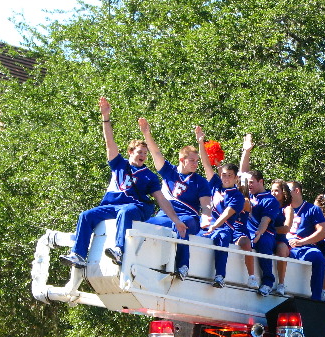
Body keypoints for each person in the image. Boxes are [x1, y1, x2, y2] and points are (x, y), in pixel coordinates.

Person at [61, 97, 187, 268]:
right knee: (86, 215)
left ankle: (119, 250)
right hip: (113, 205)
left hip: (137, 208)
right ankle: (79, 255)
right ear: (130, 152)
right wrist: (105, 117)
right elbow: (109, 142)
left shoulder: (149, 175)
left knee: (126, 212)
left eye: (145, 153)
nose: (143, 155)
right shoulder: (119, 164)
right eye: (139, 152)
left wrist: (176, 220)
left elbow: (161, 199)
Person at [139, 118, 212, 281]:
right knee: (143, 225)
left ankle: (183, 266)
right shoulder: (169, 172)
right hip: (165, 215)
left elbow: (206, 205)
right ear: (182, 160)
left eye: (197, 161)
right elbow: (155, 153)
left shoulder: (200, 182)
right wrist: (146, 133)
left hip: (189, 218)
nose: (195, 164)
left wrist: (207, 218)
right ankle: (140, 262)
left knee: (181, 225)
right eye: (192, 160)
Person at [194, 127, 250, 288]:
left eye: (229, 176)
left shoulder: (237, 196)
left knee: (223, 238)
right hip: (208, 226)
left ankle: (220, 275)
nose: (225, 178)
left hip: (223, 228)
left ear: (235, 177)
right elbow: (206, 165)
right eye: (224, 175)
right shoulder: (216, 185)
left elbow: (226, 214)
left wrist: (213, 226)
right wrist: (200, 142)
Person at [240, 134, 282, 296]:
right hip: (247, 231)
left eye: (252, 183)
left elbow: (265, 220)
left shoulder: (270, 199)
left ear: (261, 182)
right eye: (248, 183)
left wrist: (258, 234)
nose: (249, 185)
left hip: (265, 233)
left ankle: (268, 281)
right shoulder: (247, 194)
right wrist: (246, 151)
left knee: (264, 243)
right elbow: (243, 171)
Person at [284, 183, 325, 301]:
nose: (284, 194)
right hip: (282, 244)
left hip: (302, 247)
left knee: (318, 257)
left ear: (296, 190)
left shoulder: (312, 209)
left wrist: (301, 242)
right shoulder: (281, 208)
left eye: (287, 190)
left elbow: (322, 232)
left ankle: (316, 298)